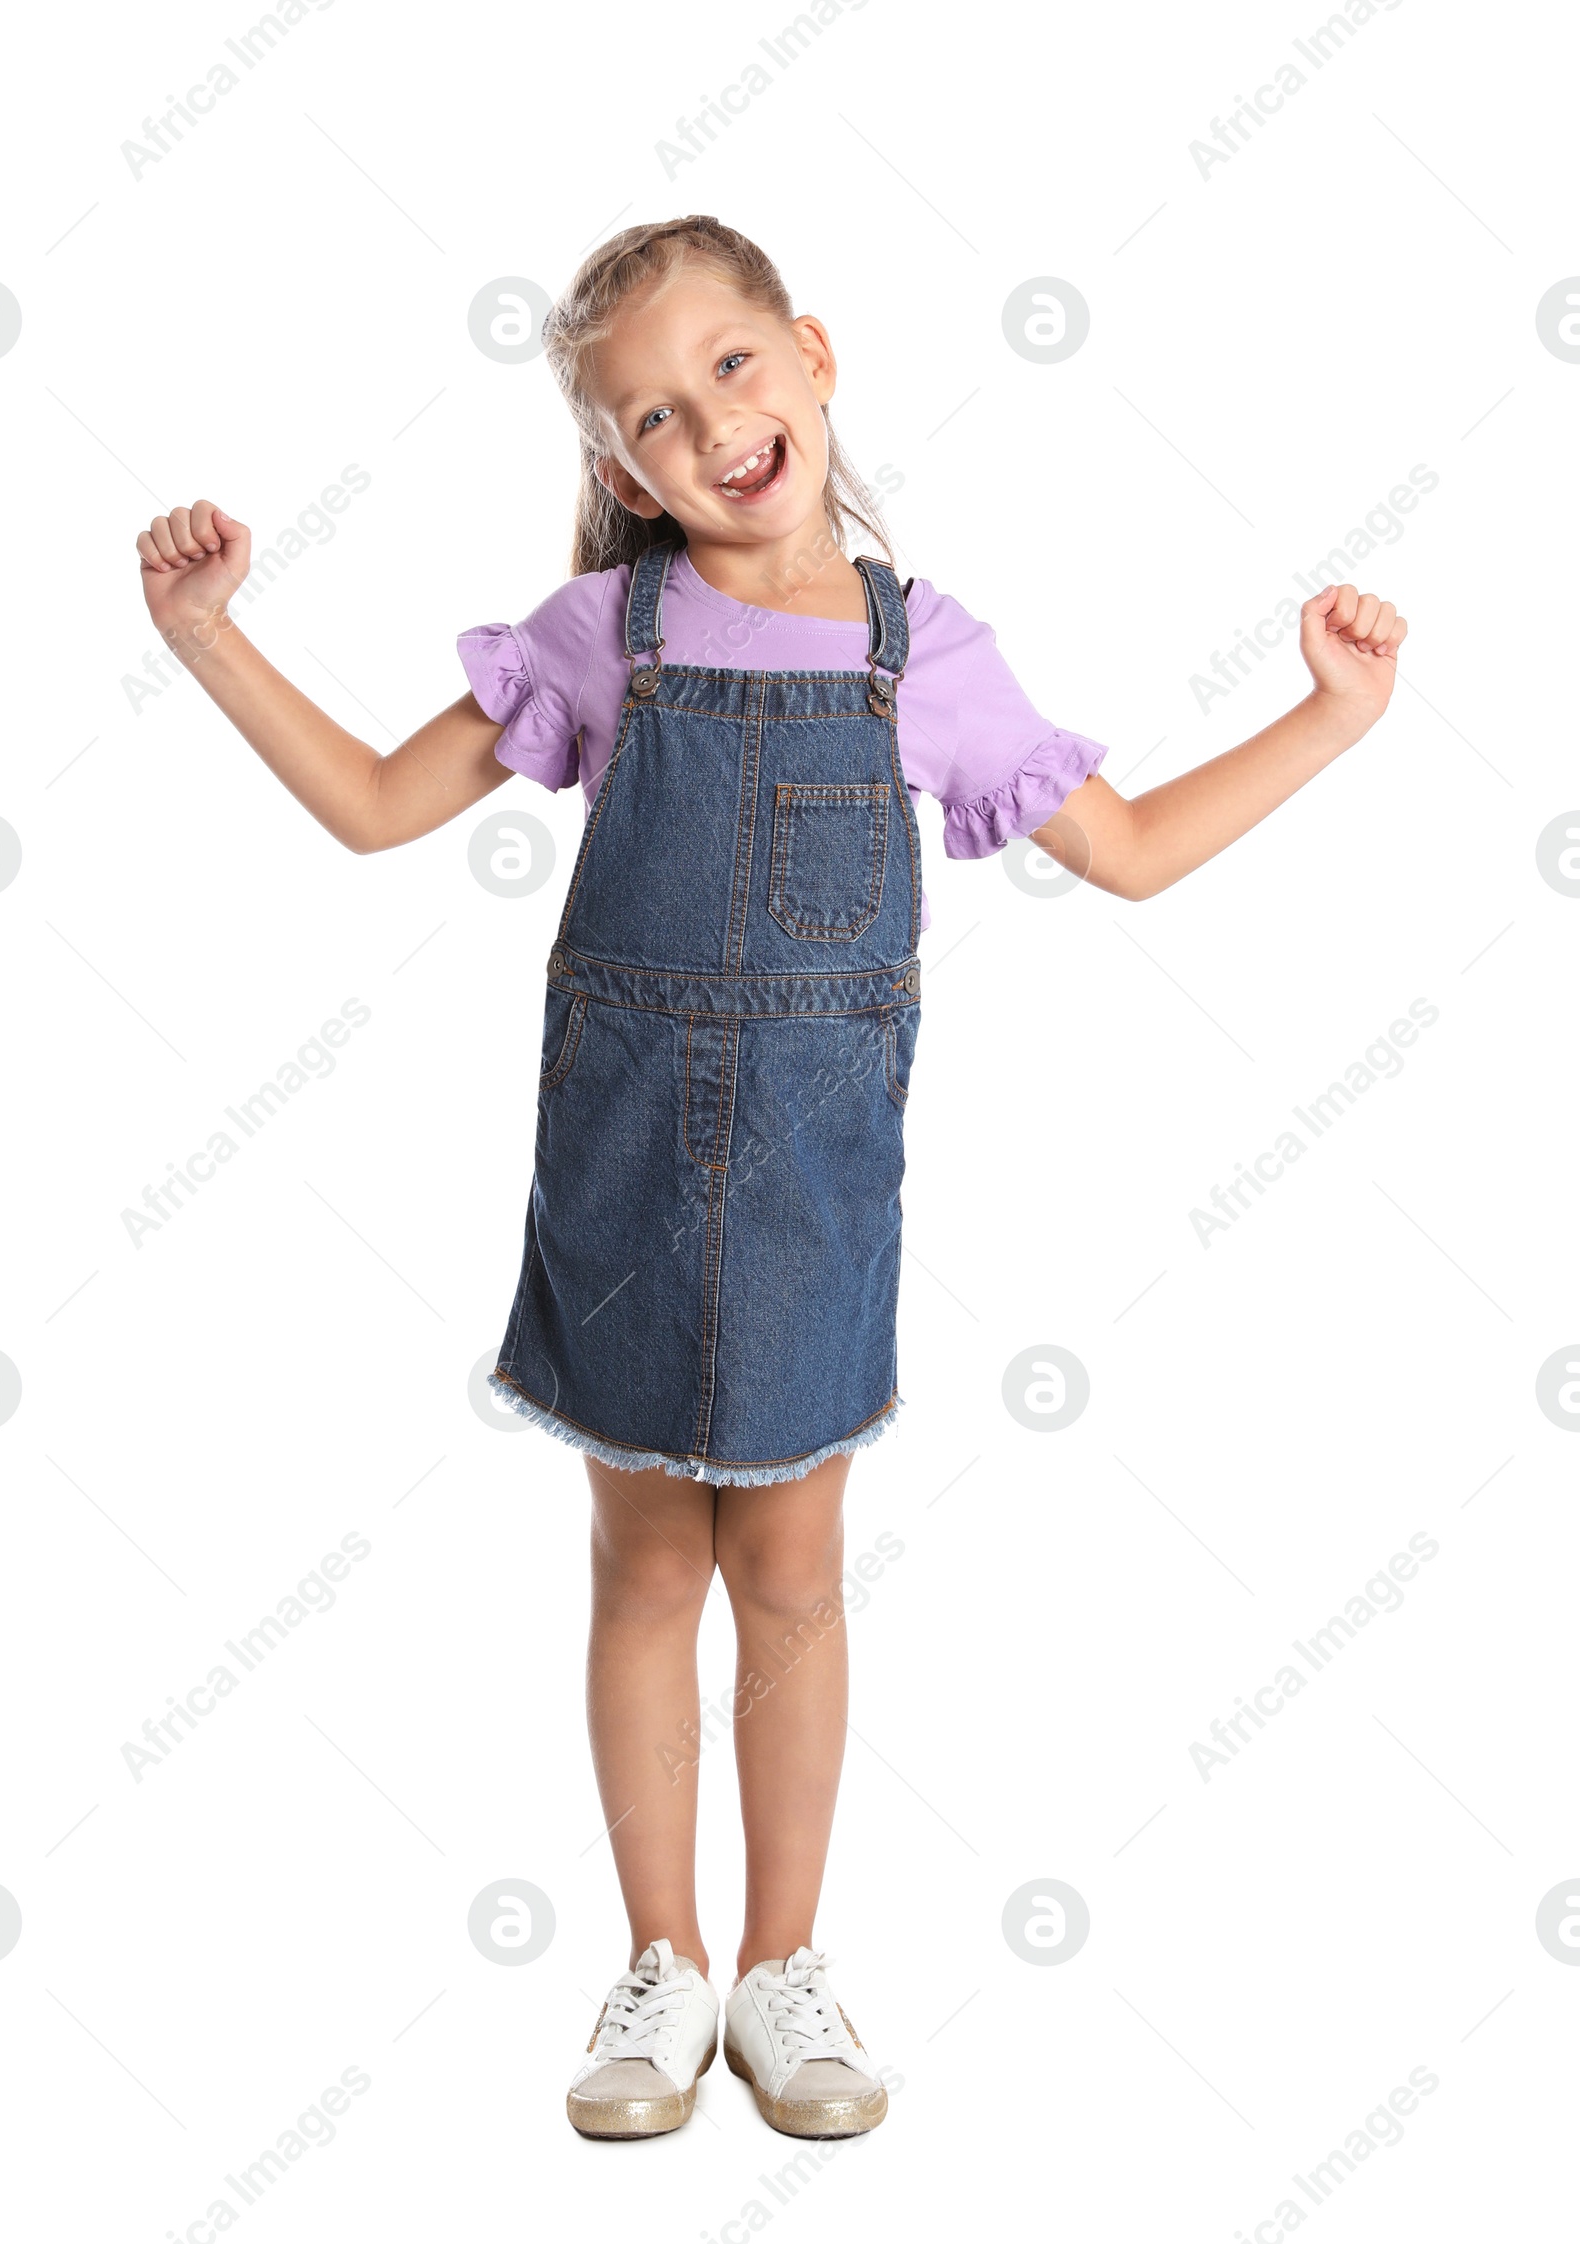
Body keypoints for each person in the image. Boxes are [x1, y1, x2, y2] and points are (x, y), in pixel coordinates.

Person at [134, 214, 1407, 2144]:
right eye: (650, 412)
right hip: (627, 1171)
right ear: (616, 471)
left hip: (816, 1187)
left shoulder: (922, 649)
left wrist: (1334, 714)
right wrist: (211, 636)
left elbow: (1130, 849)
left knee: (794, 1576)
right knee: (648, 1563)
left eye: (730, 367)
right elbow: (381, 808)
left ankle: (784, 1973)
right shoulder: (606, 637)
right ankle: (658, 1963)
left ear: (813, 357)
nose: (706, 422)